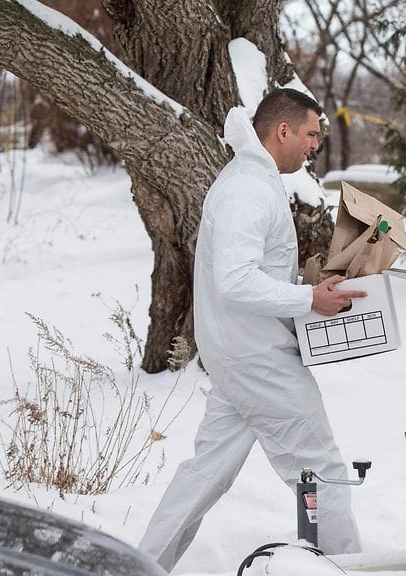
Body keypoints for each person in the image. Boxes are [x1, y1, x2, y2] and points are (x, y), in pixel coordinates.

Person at [138, 88, 367, 570]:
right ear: (282, 131)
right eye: (310, 135)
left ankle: (139, 567)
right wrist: (310, 299)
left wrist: (310, 284)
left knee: (204, 475)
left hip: (239, 354)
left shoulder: (254, 180)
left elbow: (254, 273)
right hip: (256, 358)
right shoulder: (247, 188)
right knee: (321, 469)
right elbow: (236, 279)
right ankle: (348, 568)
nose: (313, 146)